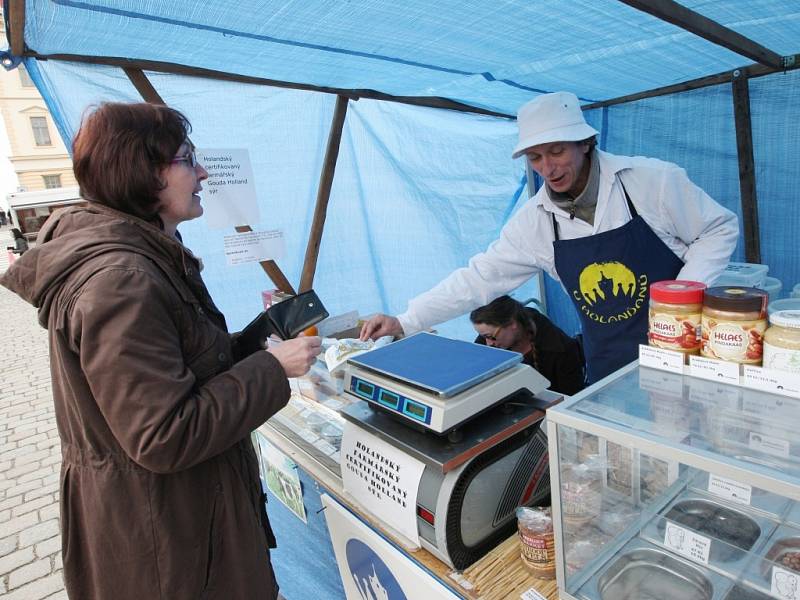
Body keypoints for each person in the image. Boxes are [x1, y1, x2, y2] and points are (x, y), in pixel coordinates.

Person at [0, 102, 320, 600]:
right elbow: (164, 435)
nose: (204, 172)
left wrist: (255, 341)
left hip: (185, 523)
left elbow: (185, 368)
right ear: (145, 171)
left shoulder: (145, 257)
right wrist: (270, 369)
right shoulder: (121, 282)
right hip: (167, 548)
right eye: (188, 158)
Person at [361, 91, 738, 384]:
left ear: (585, 142)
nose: (547, 168)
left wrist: (684, 295)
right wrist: (406, 320)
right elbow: (479, 278)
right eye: (536, 157)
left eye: (557, 151)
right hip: (611, 368)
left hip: (685, 353)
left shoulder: (651, 182)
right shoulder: (536, 223)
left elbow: (718, 228)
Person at [471, 295, 585, 396]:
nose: (488, 344)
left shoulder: (562, 352)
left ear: (512, 324)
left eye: (490, 337)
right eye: (483, 336)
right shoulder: (490, 340)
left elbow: (570, 400)